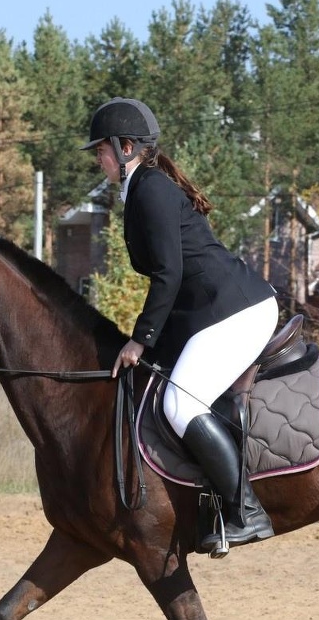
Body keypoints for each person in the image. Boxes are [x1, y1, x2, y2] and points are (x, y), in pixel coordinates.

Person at [82, 97, 277, 553]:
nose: (98, 157)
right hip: (207, 311)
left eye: (102, 149)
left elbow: (168, 274)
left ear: (127, 147)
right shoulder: (140, 188)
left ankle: (245, 510)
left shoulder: (150, 188)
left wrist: (140, 340)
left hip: (233, 309)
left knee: (179, 406)